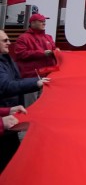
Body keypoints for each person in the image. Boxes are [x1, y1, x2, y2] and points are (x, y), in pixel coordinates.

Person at [0, 30, 49, 172]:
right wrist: (35, 83)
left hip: (8, 117)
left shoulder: (7, 59)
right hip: (5, 120)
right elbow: (5, 86)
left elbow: (15, 80)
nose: (9, 43)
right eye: (5, 40)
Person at [12, 13, 58, 78]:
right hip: (32, 76)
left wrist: (57, 52)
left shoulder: (48, 37)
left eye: (44, 21)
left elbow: (54, 50)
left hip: (49, 74)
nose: (44, 23)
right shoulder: (23, 38)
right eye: (41, 21)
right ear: (32, 23)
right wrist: (42, 53)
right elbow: (21, 54)